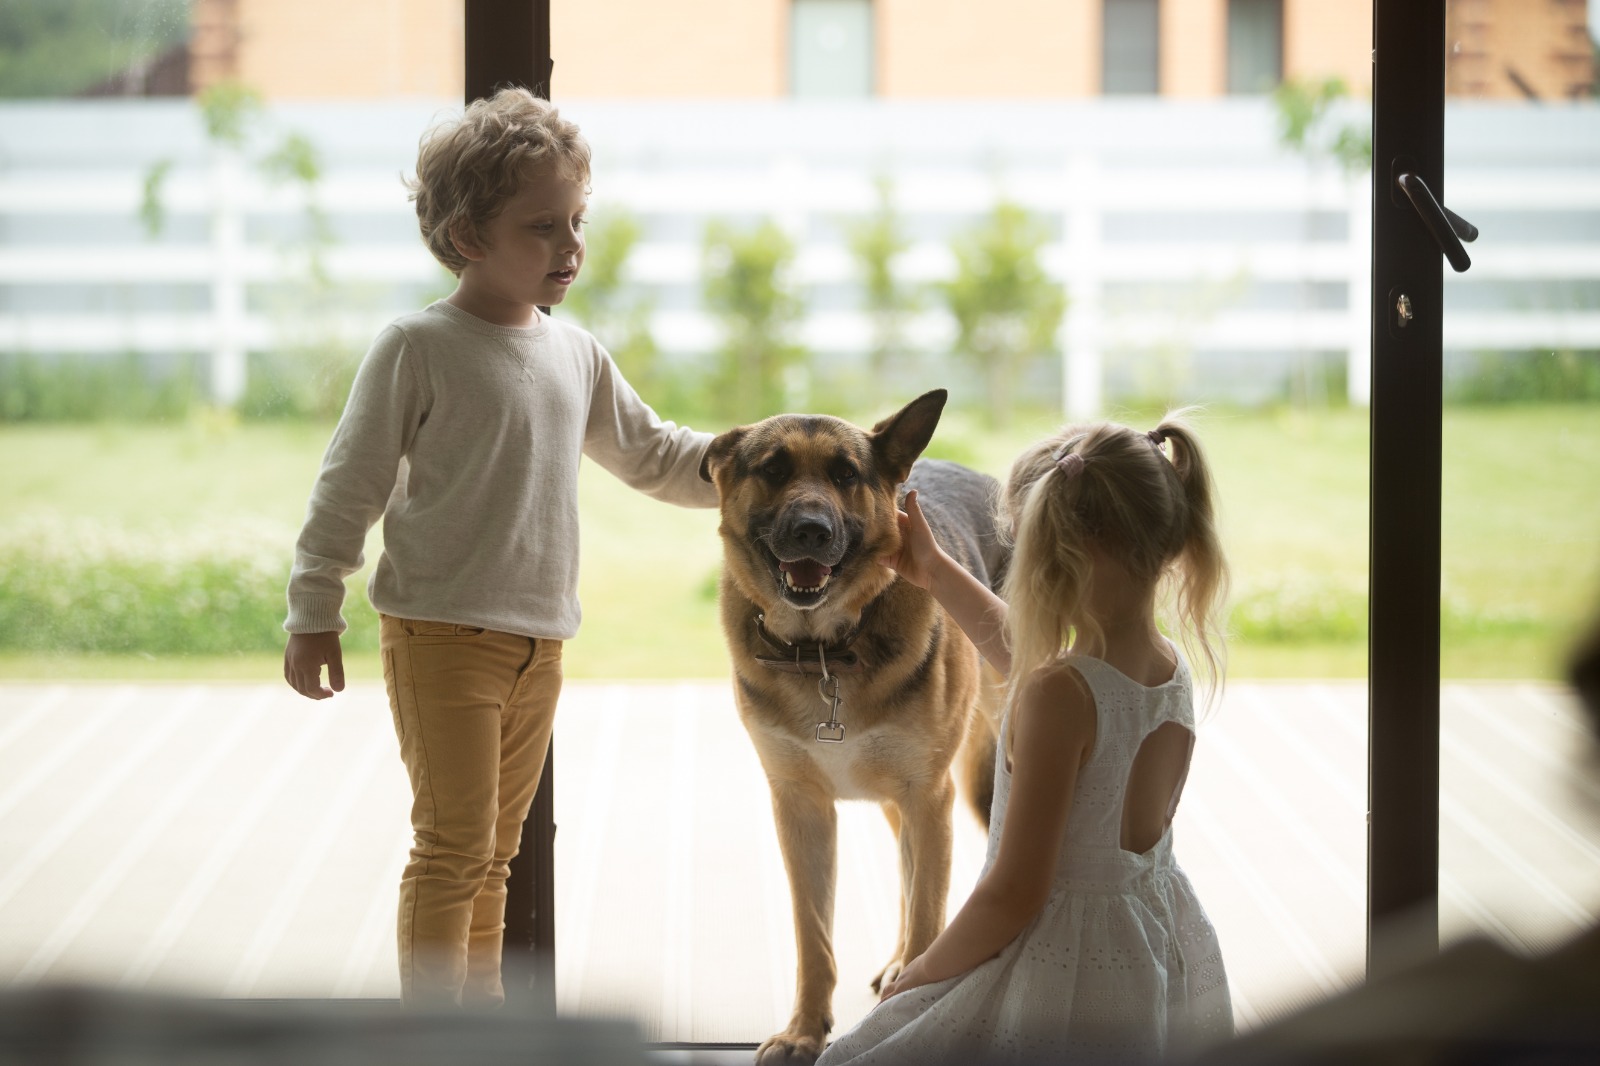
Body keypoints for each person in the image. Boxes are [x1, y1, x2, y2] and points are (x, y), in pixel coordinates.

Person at [280, 88, 717, 1008]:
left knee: (497, 853)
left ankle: (478, 1031)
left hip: (540, 645)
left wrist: (763, 459)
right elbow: (348, 484)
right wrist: (314, 609)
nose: (571, 246)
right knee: (451, 849)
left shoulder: (577, 355)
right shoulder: (418, 347)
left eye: (576, 221)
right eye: (542, 227)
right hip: (441, 638)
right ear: (468, 236)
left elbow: (656, 455)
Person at [817, 416, 1234, 1064]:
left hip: (1063, 970)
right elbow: (1030, 656)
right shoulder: (1161, 667)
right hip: (1149, 941)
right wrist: (932, 569)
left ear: (1062, 556)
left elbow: (1015, 893)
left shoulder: (1059, 697)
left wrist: (923, 969)